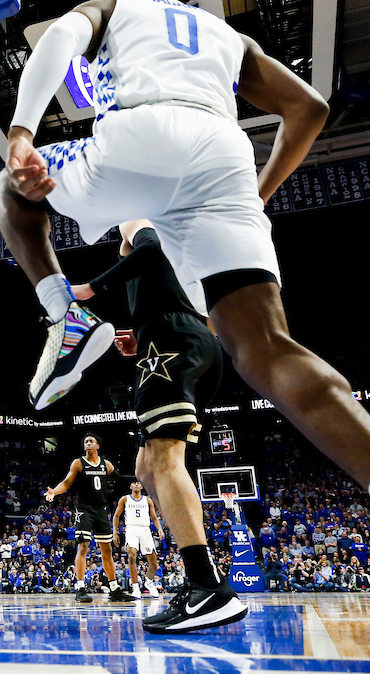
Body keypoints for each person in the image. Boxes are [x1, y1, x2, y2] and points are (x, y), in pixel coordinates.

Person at [0, 0, 370, 674]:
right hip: (224, 159)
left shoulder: (115, 7)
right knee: (266, 348)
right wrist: (256, 195)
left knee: (10, 196)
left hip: (143, 132)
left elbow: (57, 43)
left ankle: (65, 312)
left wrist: (21, 131)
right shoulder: (223, 34)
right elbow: (308, 108)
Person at [73, 219, 245, 631]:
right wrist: (142, 334)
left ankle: (207, 586)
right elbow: (171, 284)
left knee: (165, 462)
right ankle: (203, 577)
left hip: (172, 342)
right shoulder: (174, 226)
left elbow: (149, 252)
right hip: (182, 337)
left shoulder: (138, 215)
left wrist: (90, 288)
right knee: (147, 468)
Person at [44, 433, 135, 603]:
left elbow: (120, 478)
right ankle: (80, 588)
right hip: (84, 510)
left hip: (101, 510)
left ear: (98, 445)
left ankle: (114, 589)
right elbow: (67, 483)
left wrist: (139, 478)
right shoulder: (78, 463)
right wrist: (54, 492)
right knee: (83, 546)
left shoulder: (106, 464)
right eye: (86, 441)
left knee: (107, 550)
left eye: (91, 441)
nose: (88, 443)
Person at [111, 479, 166, 599]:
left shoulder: (147, 500)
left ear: (141, 486)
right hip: (131, 529)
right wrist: (115, 532)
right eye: (134, 483)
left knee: (153, 562)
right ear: (131, 486)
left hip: (145, 529)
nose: (136, 484)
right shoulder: (125, 499)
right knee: (132, 555)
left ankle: (149, 582)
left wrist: (160, 529)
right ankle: (135, 588)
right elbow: (116, 516)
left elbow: (154, 517)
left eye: (138, 483)